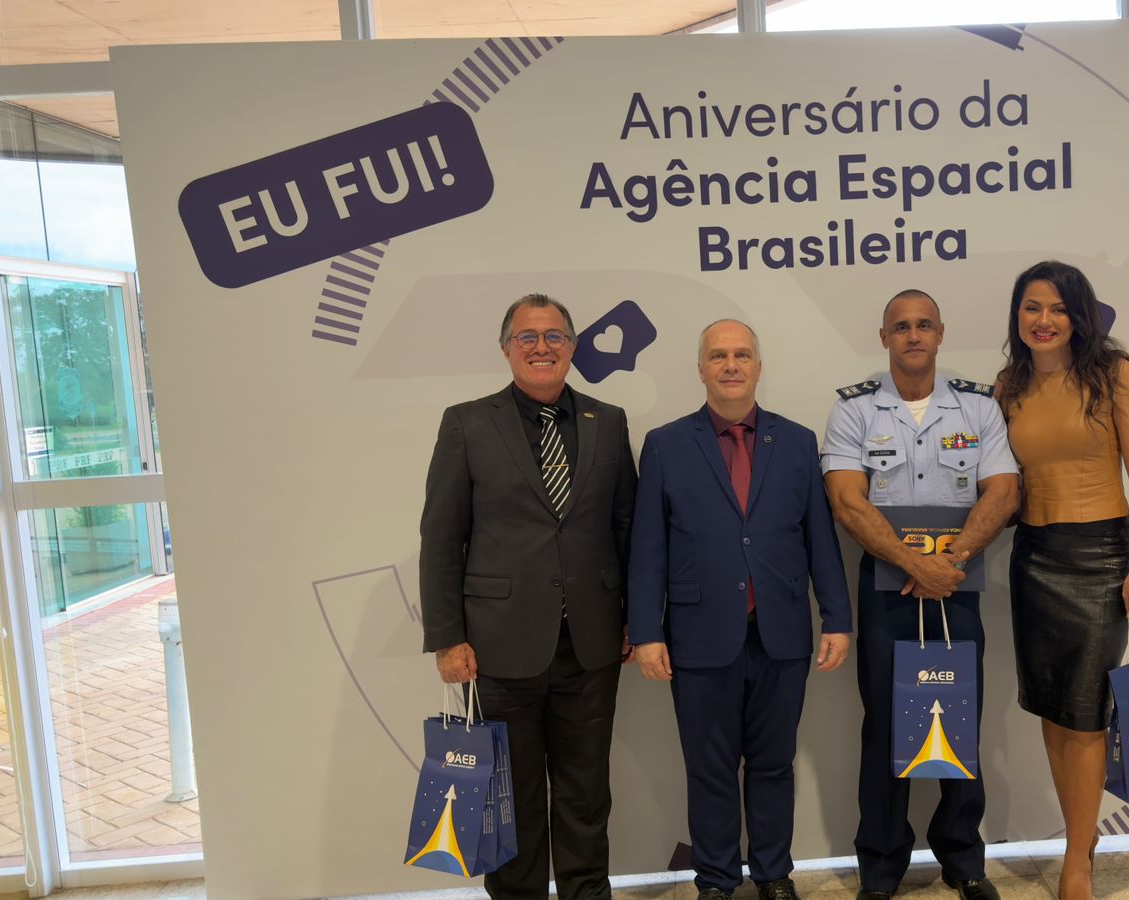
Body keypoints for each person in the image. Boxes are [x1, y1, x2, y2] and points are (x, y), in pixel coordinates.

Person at [419, 294, 637, 900]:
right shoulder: (467, 423)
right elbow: (441, 536)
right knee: (508, 797)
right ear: (506, 348)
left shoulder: (608, 420)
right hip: (497, 647)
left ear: (572, 346)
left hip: (591, 644)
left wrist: (635, 619)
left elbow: (627, 528)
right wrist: (446, 638)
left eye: (554, 336)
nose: (542, 347)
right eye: (527, 337)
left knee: (586, 794)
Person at [629, 319, 852, 900]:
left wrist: (837, 617)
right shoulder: (665, 444)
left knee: (775, 764)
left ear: (758, 366)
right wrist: (646, 631)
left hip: (781, 632)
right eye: (719, 356)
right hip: (698, 634)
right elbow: (648, 547)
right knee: (709, 769)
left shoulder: (797, 441)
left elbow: (819, 539)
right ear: (700, 369)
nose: (731, 365)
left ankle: (774, 875)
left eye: (742, 355)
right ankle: (716, 881)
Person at [821, 290, 1021, 900]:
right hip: (886, 587)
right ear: (884, 337)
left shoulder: (978, 408)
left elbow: (1003, 492)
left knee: (959, 717)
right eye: (901, 326)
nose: (913, 335)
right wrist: (915, 564)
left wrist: (947, 563)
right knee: (886, 724)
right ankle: (882, 868)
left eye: (924, 325)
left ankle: (963, 859)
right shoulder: (855, 410)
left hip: (958, 586)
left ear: (940, 334)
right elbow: (847, 501)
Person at [994, 261, 1129, 900]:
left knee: (1088, 714)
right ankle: (1079, 836)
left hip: (1100, 560)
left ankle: (1076, 863)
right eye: (1032, 307)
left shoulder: (1114, 375)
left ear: (1079, 315)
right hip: (1033, 558)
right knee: (1054, 709)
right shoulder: (1007, 385)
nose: (1044, 320)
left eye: (1058, 308)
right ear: (1017, 315)